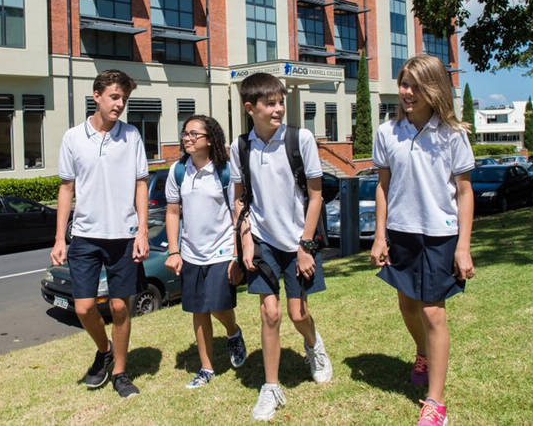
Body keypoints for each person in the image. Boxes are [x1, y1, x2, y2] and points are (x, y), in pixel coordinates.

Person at [370, 54, 476, 426]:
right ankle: (423, 352)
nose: (407, 93)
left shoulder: (453, 134)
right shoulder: (387, 133)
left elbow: (465, 192)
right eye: (404, 84)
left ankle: (435, 402)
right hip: (401, 232)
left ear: (434, 90)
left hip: (440, 235)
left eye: (416, 86)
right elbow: (383, 187)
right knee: (407, 305)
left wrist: (463, 246)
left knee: (433, 311)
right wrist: (379, 235)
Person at [229, 72, 333, 422]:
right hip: (263, 241)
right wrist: (245, 241)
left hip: (299, 240)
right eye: (270, 104)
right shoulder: (240, 147)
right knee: (269, 313)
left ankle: (313, 345)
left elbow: (316, 196)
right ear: (250, 108)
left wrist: (305, 246)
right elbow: (239, 199)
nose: (278, 109)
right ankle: (271, 387)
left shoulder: (300, 139)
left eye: (280, 102)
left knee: (297, 313)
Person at [50, 69, 149, 398]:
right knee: (83, 308)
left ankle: (120, 372)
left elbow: (141, 184)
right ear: (97, 96)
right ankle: (104, 350)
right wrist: (60, 238)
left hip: (124, 235)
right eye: (114, 97)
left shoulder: (131, 135)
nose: (120, 104)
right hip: (85, 236)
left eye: (124, 99)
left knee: (120, 308)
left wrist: (142, 231)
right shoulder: (73, 138)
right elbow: (66, 188)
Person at [164, 115, 248, 389]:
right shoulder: (178, 171)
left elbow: (236, 214)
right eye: (185, 133)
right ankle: (206, 368)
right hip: (191, 252)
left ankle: (233, 332)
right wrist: (174, 251)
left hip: (221, 251)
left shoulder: (225, 172)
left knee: (218, 305)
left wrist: (236, 255)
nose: (187, 138)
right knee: (198, 310)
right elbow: (173, 212)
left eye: (194, 134)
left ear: (210, 140)